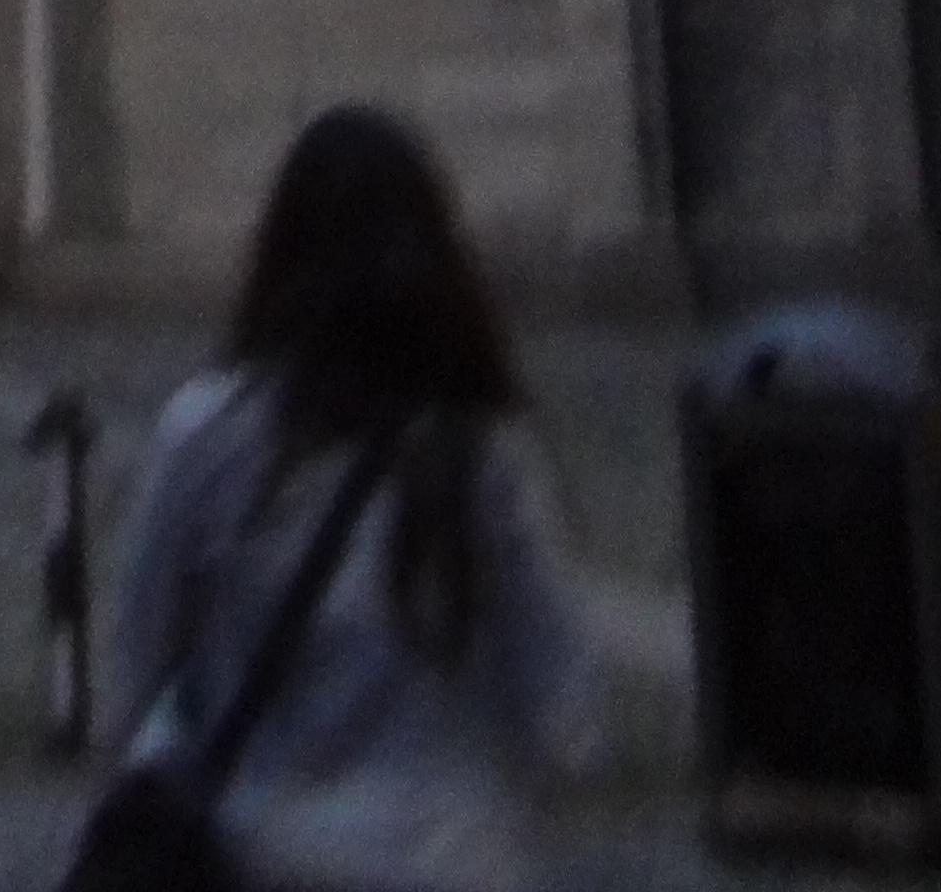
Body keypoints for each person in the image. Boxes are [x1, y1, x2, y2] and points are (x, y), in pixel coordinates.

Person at [104, 104, 604, 889]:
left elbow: (138, 660)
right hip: (457, 854)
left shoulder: (206, 432)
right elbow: (561, 704)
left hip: (264, 846)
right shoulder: (486, 448)